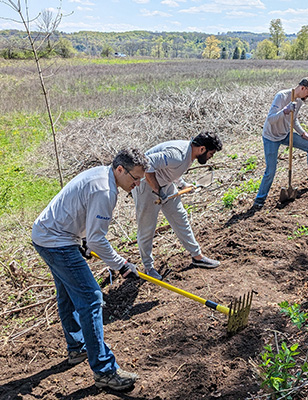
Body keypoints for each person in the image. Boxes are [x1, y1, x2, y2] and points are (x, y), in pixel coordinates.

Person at [32, 149, 149, 391]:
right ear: (120, 169)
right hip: (56, 240)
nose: (137, 185)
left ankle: (78, 348)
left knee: (67, 293)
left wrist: (81, 241)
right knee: (91, 298)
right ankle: (105, 371)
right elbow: (97, 240)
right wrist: (121, 265)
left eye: (140, 180)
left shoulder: (102, 176)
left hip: (48, 234)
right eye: (135, 178)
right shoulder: (105, 191)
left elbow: (85, 222)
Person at [132, 132, 223, 281]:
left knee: (180, 218)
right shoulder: (178, 154)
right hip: (146, 185)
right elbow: (147, 163)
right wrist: (157, 190)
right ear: (202, 149)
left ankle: (197, 256)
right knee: (147, 228)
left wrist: (182, 184)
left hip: (165, 184)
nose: (210, 157)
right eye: (210, 154)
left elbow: (171, 169)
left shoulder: (188, 154)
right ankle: (148, 267)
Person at [253, 77, 308, 209]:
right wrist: (285, 110)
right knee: (271, 170)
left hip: (285, 133)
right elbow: (271, 119)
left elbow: (293, 121)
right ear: (302, 88)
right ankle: (259, 200)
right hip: (271, 136)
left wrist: (303, 134)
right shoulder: (281, 96)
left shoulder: (299, 101)